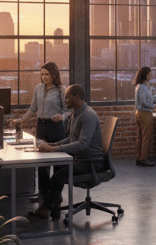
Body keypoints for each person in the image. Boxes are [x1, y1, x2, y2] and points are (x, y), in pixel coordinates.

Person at [28, 84, 105, 220]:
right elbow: (71, 138)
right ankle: (50, 205)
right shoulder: (75, 113)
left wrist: (54, 149)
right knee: (53, 176)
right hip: (80, 158)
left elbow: (83, 144)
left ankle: (46, 207)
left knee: (58, 176)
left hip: (91, 162)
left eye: (67, 97)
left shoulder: (88, 116)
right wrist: (53, 144)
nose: (65, 100)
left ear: (77, 97)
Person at [8, 62, 66, 203]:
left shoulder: (61, 89)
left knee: (58, 164)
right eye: (42, 74)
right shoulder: (38, 88)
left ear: (54, 75)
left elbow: (69, 110)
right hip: (41, 126)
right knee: (41, 163)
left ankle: (55, 194)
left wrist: (62, 116)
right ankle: (43, 194)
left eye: (46, 74)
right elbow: (33, 109)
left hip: (56, 127)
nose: (43, 77)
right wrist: (21, 120)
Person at [133, 67, 156, 167]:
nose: (151, 76)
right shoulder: (143, 87)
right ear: (145, 75)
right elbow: (144, 102)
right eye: (150, 74)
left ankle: (139, 157)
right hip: (145, 113)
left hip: (138, 113)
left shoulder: (138, 86)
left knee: (140, 136)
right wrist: (153, 106)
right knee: (146, 137)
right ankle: (144, 159)